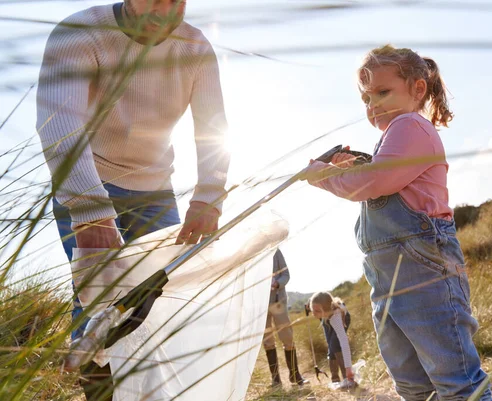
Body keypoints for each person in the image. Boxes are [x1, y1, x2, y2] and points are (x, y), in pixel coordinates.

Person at [36, 1, 229, 400]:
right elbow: (60, 126)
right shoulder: (80, 32)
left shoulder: (194, 47)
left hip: (155, 189)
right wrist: (91, 212)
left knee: (158, 301)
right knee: (98, 302)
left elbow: (214, 128)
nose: (165, 10)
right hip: (89, 179)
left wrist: (208, 197)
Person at [303, 45, 492, 400]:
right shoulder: (394, 137)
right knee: (410, 382)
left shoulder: (411, 126)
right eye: (366, 97)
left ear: (417, 89)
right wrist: (358, 164)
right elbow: (380, 176)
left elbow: (374, 183)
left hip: (426, 274)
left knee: (456, 378)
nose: (372, 104)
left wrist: (323, 174)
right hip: (388, 281)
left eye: (383, 92)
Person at [262, 249, 307, 387]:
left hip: (278, 302)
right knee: (268, 341)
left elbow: (286, 275)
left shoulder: (275, 251)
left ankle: (295, 375)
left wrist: (276, 284)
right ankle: (276, 379)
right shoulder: (251, 250)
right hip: (260, 306)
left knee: (287, 337)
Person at [308, 292, 353, 385]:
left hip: (339, 318)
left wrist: (349, 368)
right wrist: (310, 308)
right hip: (325, 318)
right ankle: (335, 380)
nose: (313, 314)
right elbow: (313, 305)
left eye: (316, 311)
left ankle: (347, 378)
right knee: (330, 345)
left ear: (326, 310)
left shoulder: (336, 317)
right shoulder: (318, 307)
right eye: (312, 309)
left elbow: (344, 343)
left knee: (335, 344)